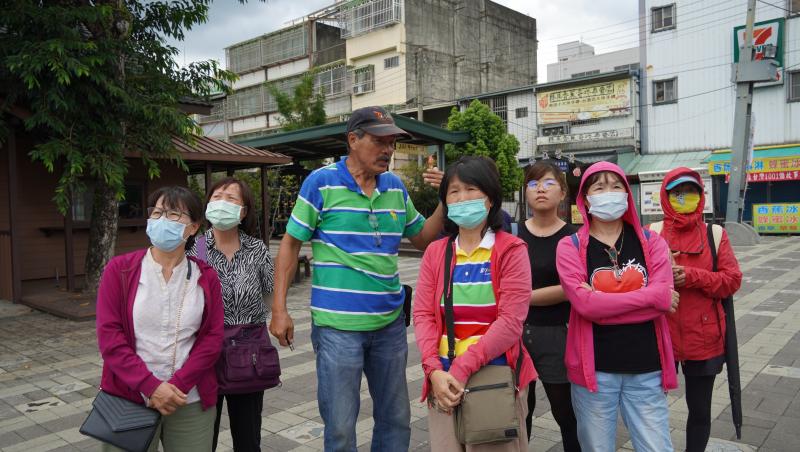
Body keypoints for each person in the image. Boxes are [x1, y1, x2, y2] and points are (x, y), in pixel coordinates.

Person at [269, 106, 445, 451]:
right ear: (353, 140)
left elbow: (423, 238)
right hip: (337, 328)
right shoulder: (321, 182)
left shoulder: (395, 187)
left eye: (392, 143)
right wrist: (279, 309)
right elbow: (290, 244)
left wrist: (446, 200)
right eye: (380, 141)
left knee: (395, 419)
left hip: (389, 326)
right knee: (339, 426)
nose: (388, 150)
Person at [413, 156, 536, 451]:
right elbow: (423, 314)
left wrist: (461, 369)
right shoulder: (436, 252)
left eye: (471, 189)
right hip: (442, 378)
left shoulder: (511, 250)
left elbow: (510, 322)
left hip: (494, 374)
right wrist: (433, 370)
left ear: (490, 198)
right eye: (454, 191)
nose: (462, 197)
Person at [555, 162, 679, 452]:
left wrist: (601, 303)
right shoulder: (570, 247)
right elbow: (584, 306)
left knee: (657, 447)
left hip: (647, 370)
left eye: (616, 186)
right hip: (595, 374)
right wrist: (649, 299)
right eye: (599, 187)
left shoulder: (652, 242)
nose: (608, 192)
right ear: (585, 198)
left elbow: (663, 297)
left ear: (627, 193)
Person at [96, 186, 224, 452]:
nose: (162, 220)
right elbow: (110, 338)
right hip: (129, 398)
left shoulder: (206, 277)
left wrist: (176, 385)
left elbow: (212, 339)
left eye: (174, 214)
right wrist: (151, 386)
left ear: (193, 228)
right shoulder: (120, 270)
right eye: (157, 212)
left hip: (188, 399)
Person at [649, 168, 742, 452]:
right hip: (658, 337)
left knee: (700, 411)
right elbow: (637, 279)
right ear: (665, 196)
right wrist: (664, 274)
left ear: (701, 196)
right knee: (649, 410)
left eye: (691, 192)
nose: (684, 197)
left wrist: (692, 276)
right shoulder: (651, 233)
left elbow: (732, 280)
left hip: (704, 338)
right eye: (677, 192)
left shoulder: (715, 234)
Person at [187, 177, 275, 452]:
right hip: (205, 354)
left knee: (248, 439)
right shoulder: (194, 249)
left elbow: (270, 293)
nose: (221, 203)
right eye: (217, 197)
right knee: (202, 439)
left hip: (247, 354)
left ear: (243, 211)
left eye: (231, 198)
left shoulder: (257, 249)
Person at [515, 161, 580, 451]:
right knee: (519, 415)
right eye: (532, 184)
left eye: (548, 183)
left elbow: (574, 288)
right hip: (516, 335)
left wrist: (523, 297)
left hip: (559, 334)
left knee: (566, 414)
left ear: (563, 192)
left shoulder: (575, 237)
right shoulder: (513, 235)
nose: (540, 189)